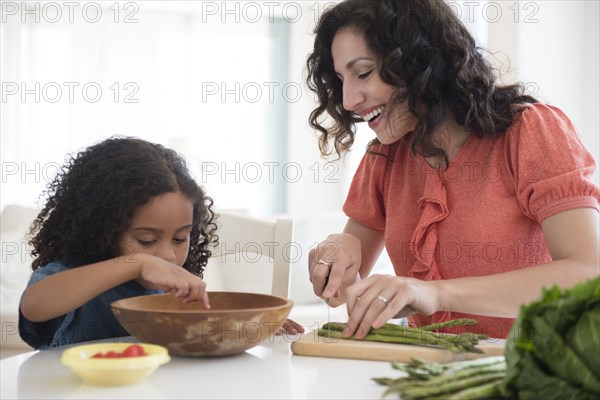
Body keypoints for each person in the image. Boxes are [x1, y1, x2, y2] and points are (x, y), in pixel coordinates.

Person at [305, 0, 599, 340]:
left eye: (364, 73)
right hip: (434, 372)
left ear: (419, 60)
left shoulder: (530, 132)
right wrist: (338, 249)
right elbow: (344, 293)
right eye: (341, 79)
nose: (348, 101)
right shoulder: (386, 155)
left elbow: (587, 274)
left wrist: (434, 293)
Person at [19, 137, 302, 349]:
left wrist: (248, 325)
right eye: (147, 240)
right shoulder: (75, 276)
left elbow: (200, 329)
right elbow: (34, 306)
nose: (167, 254)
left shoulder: (168, 291)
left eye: (180, 238)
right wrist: (136, 263)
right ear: (102, 229)